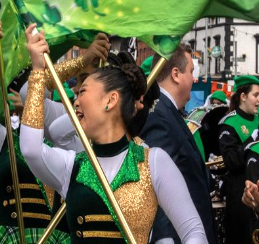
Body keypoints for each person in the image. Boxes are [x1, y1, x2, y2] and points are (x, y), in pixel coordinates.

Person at [20, 27, 207, 243]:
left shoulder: (153, 161)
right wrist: (36, 70)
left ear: (110, 100)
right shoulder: (73, 165)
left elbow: (193, 231)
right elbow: (30, 149)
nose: (76, 100)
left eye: (83, 91)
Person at [0, 11, 95, 244]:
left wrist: (87, 61)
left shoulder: (64, 141)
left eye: (43, 88)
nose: (37, 93)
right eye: (36, 85)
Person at [139, 44, 216, 244]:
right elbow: (157, 187)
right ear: (176, 74)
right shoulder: (159, 117)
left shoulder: (168, 112)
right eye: (190, 71)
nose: (194, 78)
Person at [218, 75, 259, 244]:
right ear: (243, 96)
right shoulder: (229, 123)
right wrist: (252, 138)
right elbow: (232, 161)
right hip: (240, 198)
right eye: (255, 95)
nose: (258, 100)